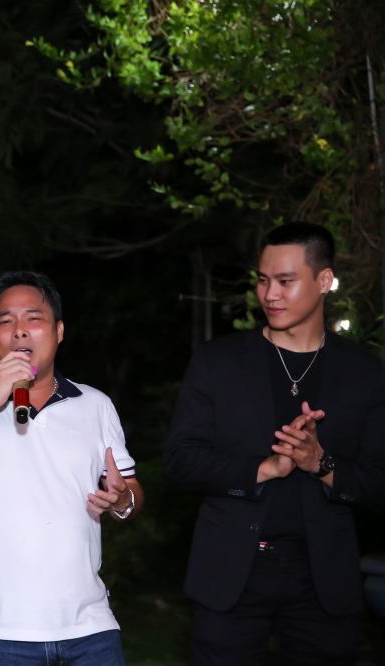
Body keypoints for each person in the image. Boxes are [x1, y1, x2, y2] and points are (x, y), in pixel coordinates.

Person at [165, 222, 385, 665]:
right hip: (231, 573)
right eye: (263, 280)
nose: (270, 295)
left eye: (285, 281)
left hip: (323, 579)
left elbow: (379, 483)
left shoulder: (365, 372)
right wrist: (263, 468)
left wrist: (321, 464)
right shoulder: (218, 361)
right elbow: (180, 462)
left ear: (324, 280)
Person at [0, 270, 144, 666]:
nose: (20, 330)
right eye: (6, 320)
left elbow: (130, 492)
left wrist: (122, 499)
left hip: (89, 630)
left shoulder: (95, 404)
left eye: (34, 318)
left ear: (59, 331)